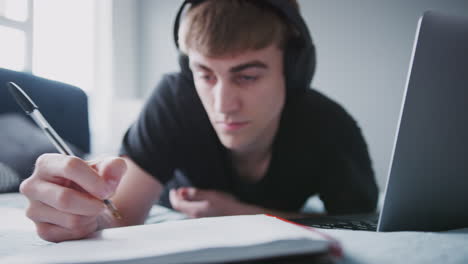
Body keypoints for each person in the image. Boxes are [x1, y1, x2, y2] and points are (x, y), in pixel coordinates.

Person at [20, 0, 378, 242]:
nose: (222, 105)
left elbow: (365, 228)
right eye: (205, 75)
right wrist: (76, 217)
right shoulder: (175, 99)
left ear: (293, 71)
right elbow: (117, 217)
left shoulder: (331, 126)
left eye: (247, 76)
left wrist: (247, 215)